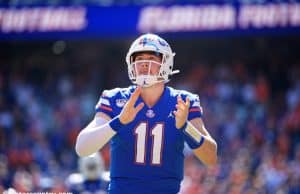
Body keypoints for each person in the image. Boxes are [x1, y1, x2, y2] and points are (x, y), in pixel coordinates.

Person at [75, 33, 218, 194]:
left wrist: (185, 127)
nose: (144, 63)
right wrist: (119, 121)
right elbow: (82, 148)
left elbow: (211, 157)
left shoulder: (183, 101)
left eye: (151, 57)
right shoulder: (115, 98)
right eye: (139, 58)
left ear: (166, 62)